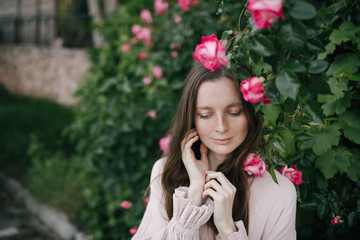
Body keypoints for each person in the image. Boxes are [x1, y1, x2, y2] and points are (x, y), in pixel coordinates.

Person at [132, 64, 297, 240]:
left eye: (234, 112)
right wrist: (194, 196)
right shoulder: (166, 172)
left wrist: (228, 229)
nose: (221, 127)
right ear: (192, 119)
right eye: (205, 115)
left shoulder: (279, 192)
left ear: (250, 113)